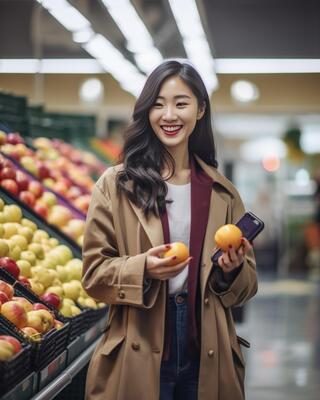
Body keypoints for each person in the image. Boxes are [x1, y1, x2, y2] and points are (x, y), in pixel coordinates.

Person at [82, 60, 258, 400]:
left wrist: (231, 271)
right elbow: (94, 275)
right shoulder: (116, 185)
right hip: (139, 344)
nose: (169, 115)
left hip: (206, 348)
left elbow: (246, 289)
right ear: (147, 111)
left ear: (201, 109)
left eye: (181, 103)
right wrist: (143, 267)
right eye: (158, 104)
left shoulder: (222, 191)